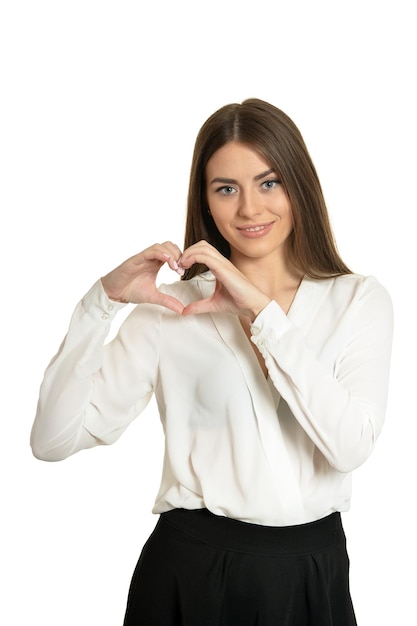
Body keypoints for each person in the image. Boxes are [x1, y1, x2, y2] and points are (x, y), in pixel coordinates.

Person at [31, 98, 393, 625]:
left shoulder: (358, 300)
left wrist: (260, 313)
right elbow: (52, 441)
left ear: (300, 185)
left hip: (313, 577)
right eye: (227, 188)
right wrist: (100, 303)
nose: (250, 209)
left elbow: (350, 445)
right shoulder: (172, 310)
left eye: (269, 183)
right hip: (191, 575)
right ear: (205, 199)